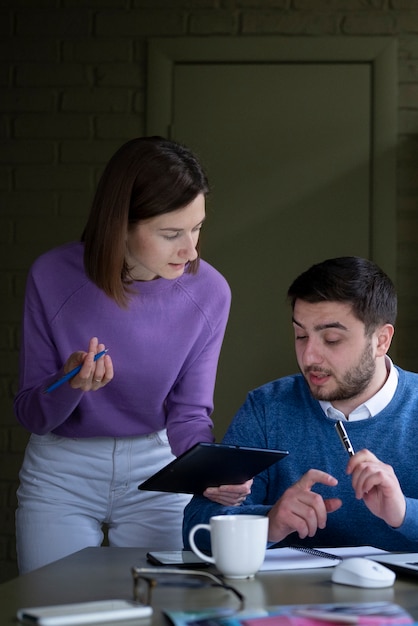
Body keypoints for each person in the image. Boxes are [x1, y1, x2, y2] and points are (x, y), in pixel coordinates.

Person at [14, 136, 246, 574]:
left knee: (160, 607)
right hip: (62, 468)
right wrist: (68, 386)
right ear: (120, 224)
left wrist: (209, 471)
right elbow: (31, 414)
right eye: (171, 233)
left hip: (158, 465)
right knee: (53, 610)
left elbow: (190, 414)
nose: (191, 250)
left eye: (197, 228)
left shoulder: (210, 291)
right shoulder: (51, 276)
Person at [183, 256, 418, 553]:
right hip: (291, 597)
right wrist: (267, 523)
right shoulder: (267, 408)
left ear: (381, 340)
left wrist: (405, 514)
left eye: (331, 340)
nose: (309, 357)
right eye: (301, 336)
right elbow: (194, 526)